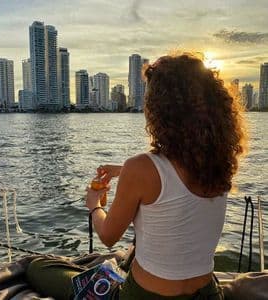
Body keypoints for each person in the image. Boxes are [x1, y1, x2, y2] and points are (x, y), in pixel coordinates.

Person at [27, 53, 247, 299]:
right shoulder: (219, 164)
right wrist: (122, 171)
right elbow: (175, 182)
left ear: (160, 109)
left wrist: (93, 206)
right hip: (207, 294)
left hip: (146, 295)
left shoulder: (141, 168)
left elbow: (109, 237)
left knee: (38, 266)